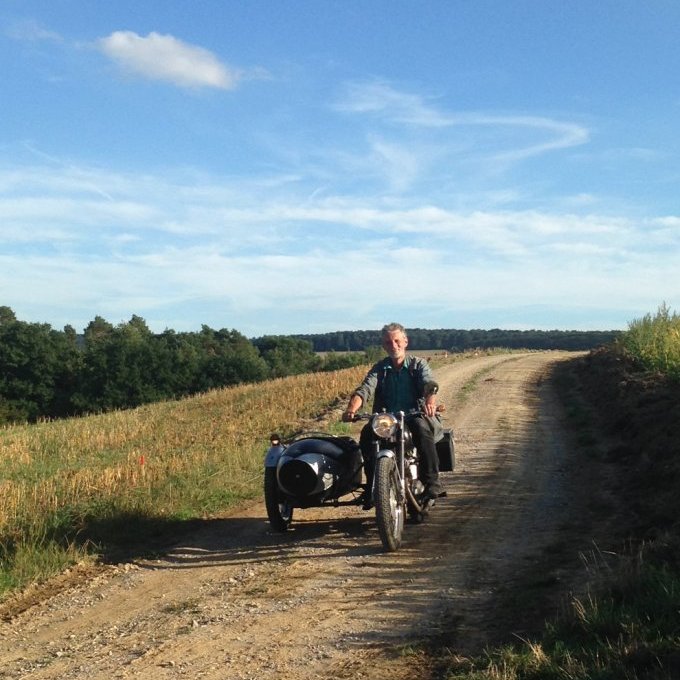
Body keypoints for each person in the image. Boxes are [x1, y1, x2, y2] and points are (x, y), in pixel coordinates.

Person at [342, 322, 444, 509]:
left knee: (422, 430)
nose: (393, 346)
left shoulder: (418, 365)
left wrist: (430, 401)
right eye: (388, 343)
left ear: (405, 341)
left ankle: (431, 483)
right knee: (366, 435)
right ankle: (374, 486)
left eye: (397, 341)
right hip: (387, 420)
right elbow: (365, 389)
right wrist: (351, 409)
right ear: (384, 346)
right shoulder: (380, 369)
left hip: (413, 415)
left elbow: (429, 384)